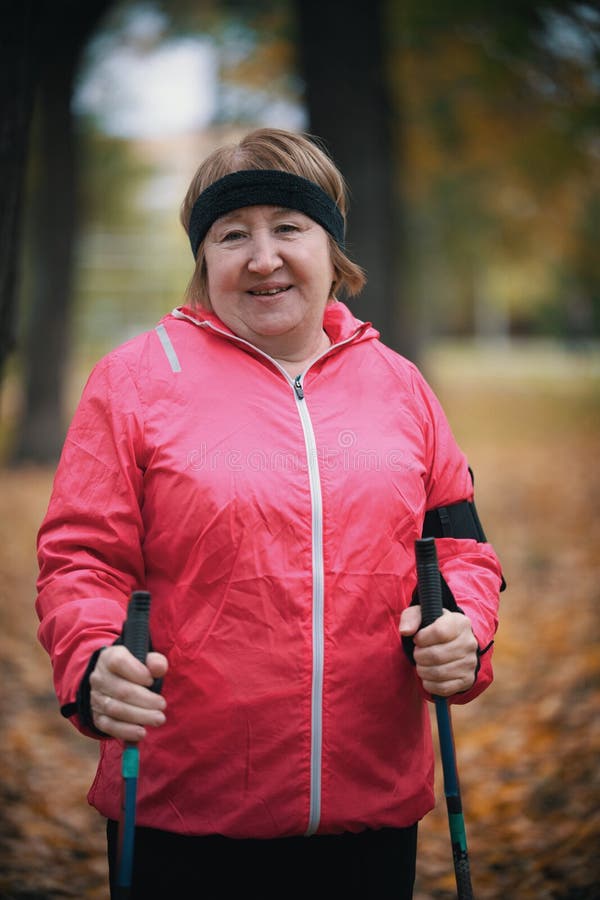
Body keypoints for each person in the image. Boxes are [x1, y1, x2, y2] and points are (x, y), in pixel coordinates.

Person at [36, 127, 504, 899]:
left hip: (371, 811)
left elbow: (459, 549)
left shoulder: (400, 385)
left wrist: (464, 628)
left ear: (331, 248)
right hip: (183, 813)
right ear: (203, 260)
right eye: (231, 235)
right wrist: (92, 662)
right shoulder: (136, 381)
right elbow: (80, 559)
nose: (262, 258)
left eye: (288, 227)